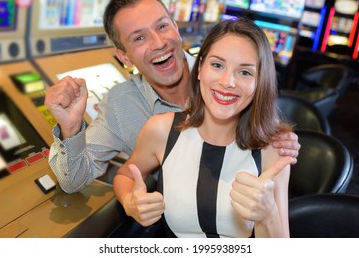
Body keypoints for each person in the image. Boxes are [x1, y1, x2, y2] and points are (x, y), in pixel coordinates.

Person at [44, 0, 299, 194]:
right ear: (124, 57)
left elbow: (270, 137)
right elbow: (73, 180)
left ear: (176, 28)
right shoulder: (121, 105)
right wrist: (70, 127)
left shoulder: (225, 77)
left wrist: (281, 140)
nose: (159, 43)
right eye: (139, 38)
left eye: (162, 26)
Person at [113, 17, 293, 238]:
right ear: (199, 69)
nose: (228, 82)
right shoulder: (161, 130)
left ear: (259, 82)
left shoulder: (274, 150)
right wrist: (130, 202)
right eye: (217, 65)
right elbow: (126, 174)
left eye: (245, 72)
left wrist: (269, 214)